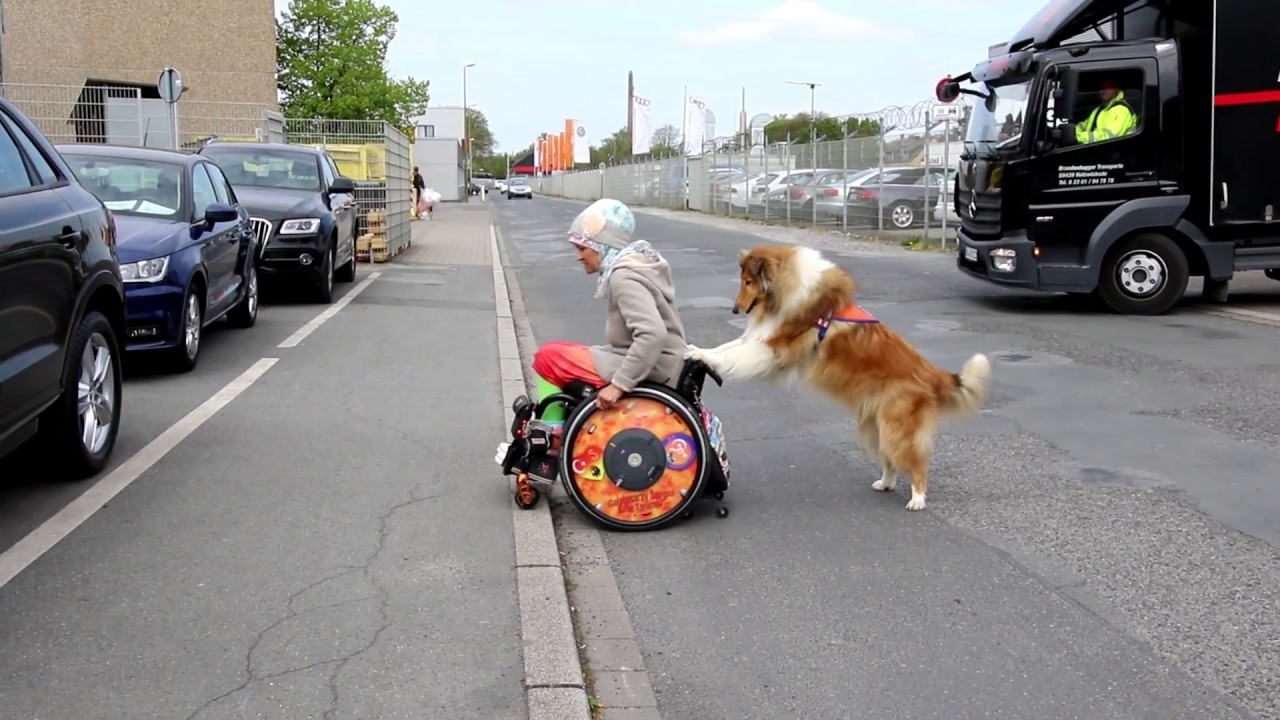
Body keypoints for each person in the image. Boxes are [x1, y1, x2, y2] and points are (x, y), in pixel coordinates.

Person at [531, 198, 688, 416]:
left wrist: (619, 384)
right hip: (662, 362)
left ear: (600, 246)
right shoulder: (634, 265)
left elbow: (652, 334)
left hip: (656, 368)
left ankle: (552, 436)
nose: (578, 256)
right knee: (560, 348)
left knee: (547, 358)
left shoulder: (623, 277)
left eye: (581, 248)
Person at [1074, 78, 1137, 144]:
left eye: (1108, 87)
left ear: (1116, 89)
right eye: (1102, 87)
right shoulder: (1098, 110)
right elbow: (1084, 126)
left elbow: (1107, 137)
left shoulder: (1121, 110)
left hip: (1116, 152)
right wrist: (1070, 132)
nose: (1104, 90)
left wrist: (1078, 137)